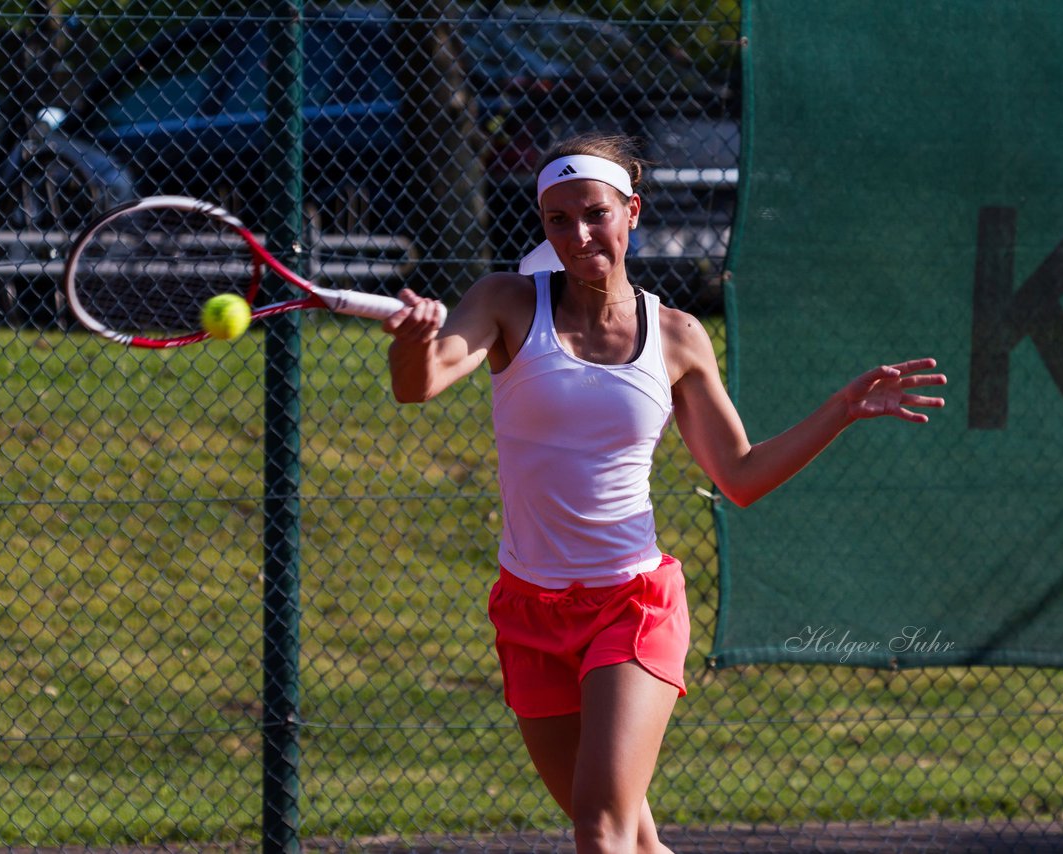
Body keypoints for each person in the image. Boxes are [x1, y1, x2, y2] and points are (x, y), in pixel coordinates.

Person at [381, 133, 946, 854]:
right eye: (557, 220)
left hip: (630, 606)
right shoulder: (506, 304)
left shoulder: (677, 338)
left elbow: (738, 477)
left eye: (594, 213)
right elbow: (418, 383)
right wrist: (410, 339)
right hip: (529, 610)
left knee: (601, 830)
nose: (578, 234)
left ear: (632, 212)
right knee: (634, 844)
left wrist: (840, 409)